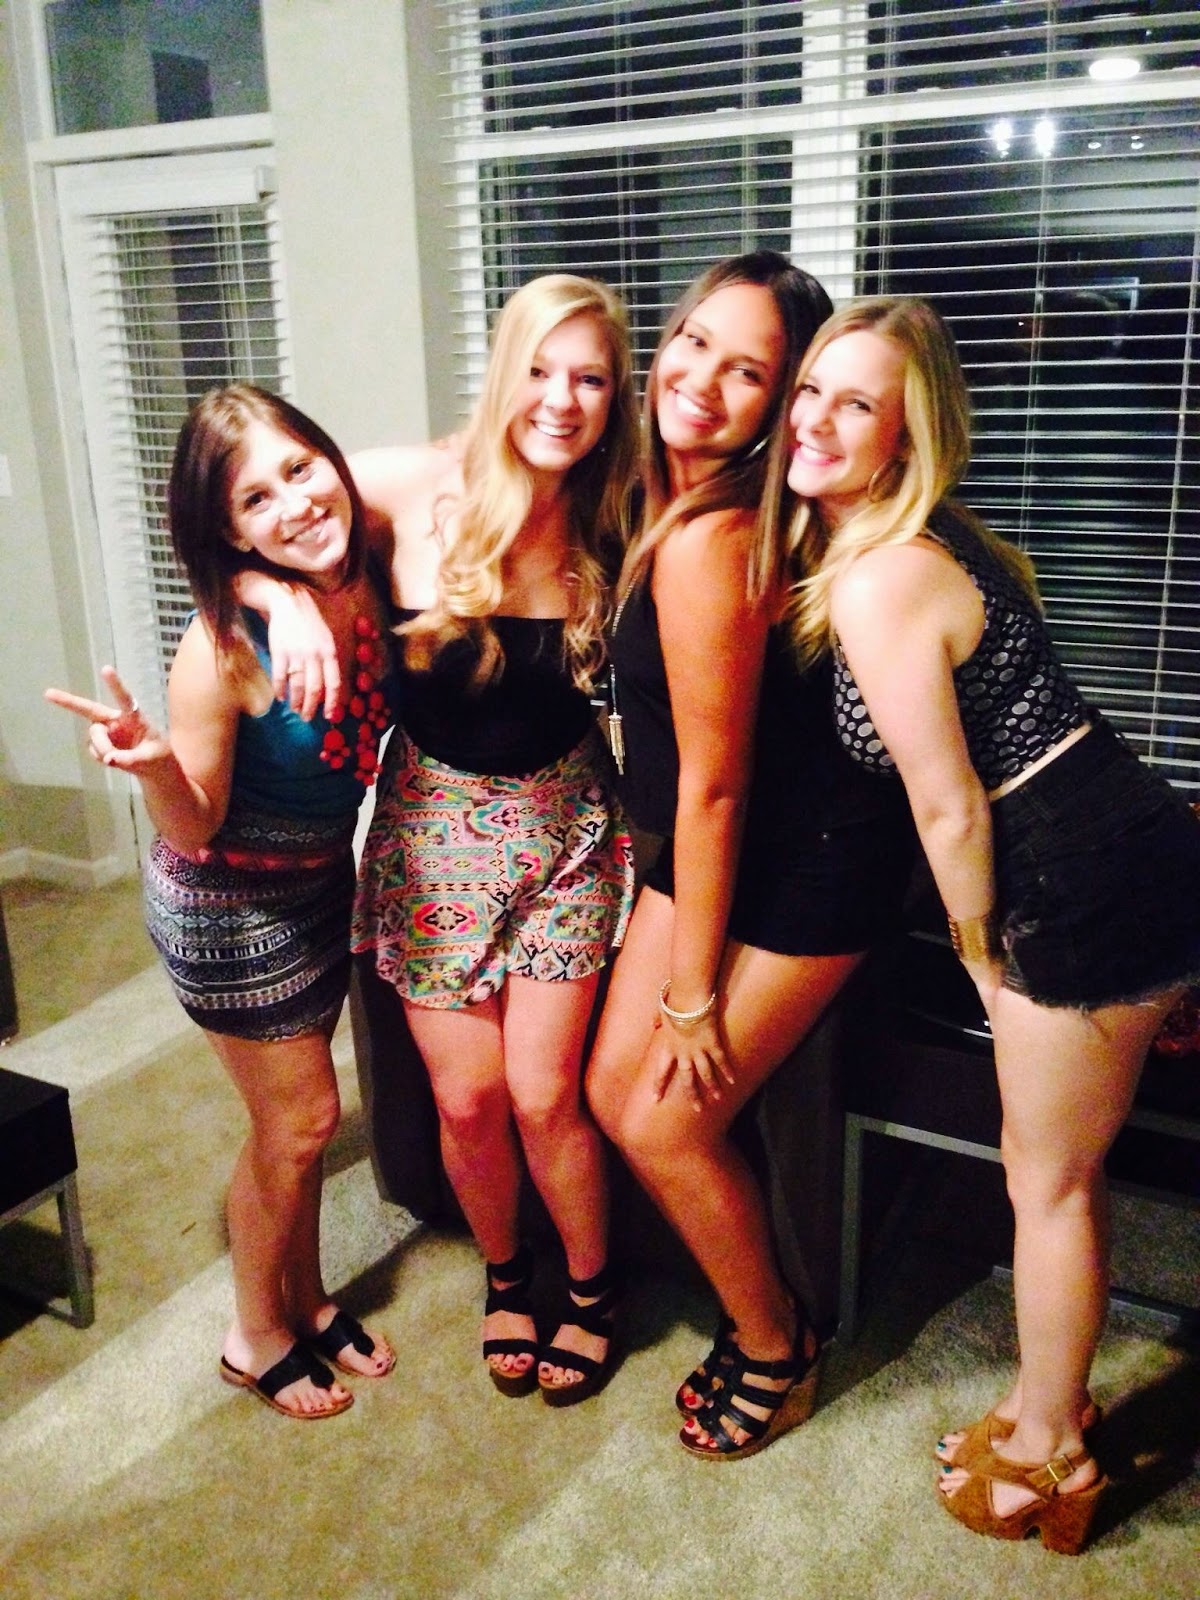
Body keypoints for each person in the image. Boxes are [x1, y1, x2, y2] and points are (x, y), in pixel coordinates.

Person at [786, 295, 1200, 1551]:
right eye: (811, 391)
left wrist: (977, 953)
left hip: (1077, 879)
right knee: (1049, 1168)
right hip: (1108, 845)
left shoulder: (882, 577)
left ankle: (1051, 1450)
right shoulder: (921, 540)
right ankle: (1040, 1401)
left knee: (1049, 1181)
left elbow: (951, 806)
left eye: (857, 403)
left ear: (906, 436)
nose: (816, 420)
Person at [255, 275, 639, 1404]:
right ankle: (505, 1275)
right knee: (466, 1099)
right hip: (430, 830)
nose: (561, 399)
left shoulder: (617, 511)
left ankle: (593, 1287)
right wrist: (275, 600)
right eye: (541, 368)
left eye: (590, 379)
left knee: (542, 1092)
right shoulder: (405, 483)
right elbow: (251, 517)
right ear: (503, 366)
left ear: (615, 397)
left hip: (568, 827)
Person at [585, 252, 916, 1460]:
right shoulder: (662, 501)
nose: (703, 380)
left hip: (810, 860)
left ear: (781, 402)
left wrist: (691, 994)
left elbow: (716, 783)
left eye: (749, 371)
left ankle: (778, 1343)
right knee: (609, 1095)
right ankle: (754, 1304)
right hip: (718, 841)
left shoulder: (716, 535)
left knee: (661, 1123)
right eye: (694, 343)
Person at [46, 385, 397, 1419]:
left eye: (300, 467)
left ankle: (308, 1297)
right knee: (303, 1119)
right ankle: (255, 1334)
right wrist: (155, 763)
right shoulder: (220, 646)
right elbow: (194, 825)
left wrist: (286, 589)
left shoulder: (366, 569)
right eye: (255, 499)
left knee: (293, 1126)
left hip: (319, 882)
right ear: (229, 531)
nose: (295, 503)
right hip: (225, 902)